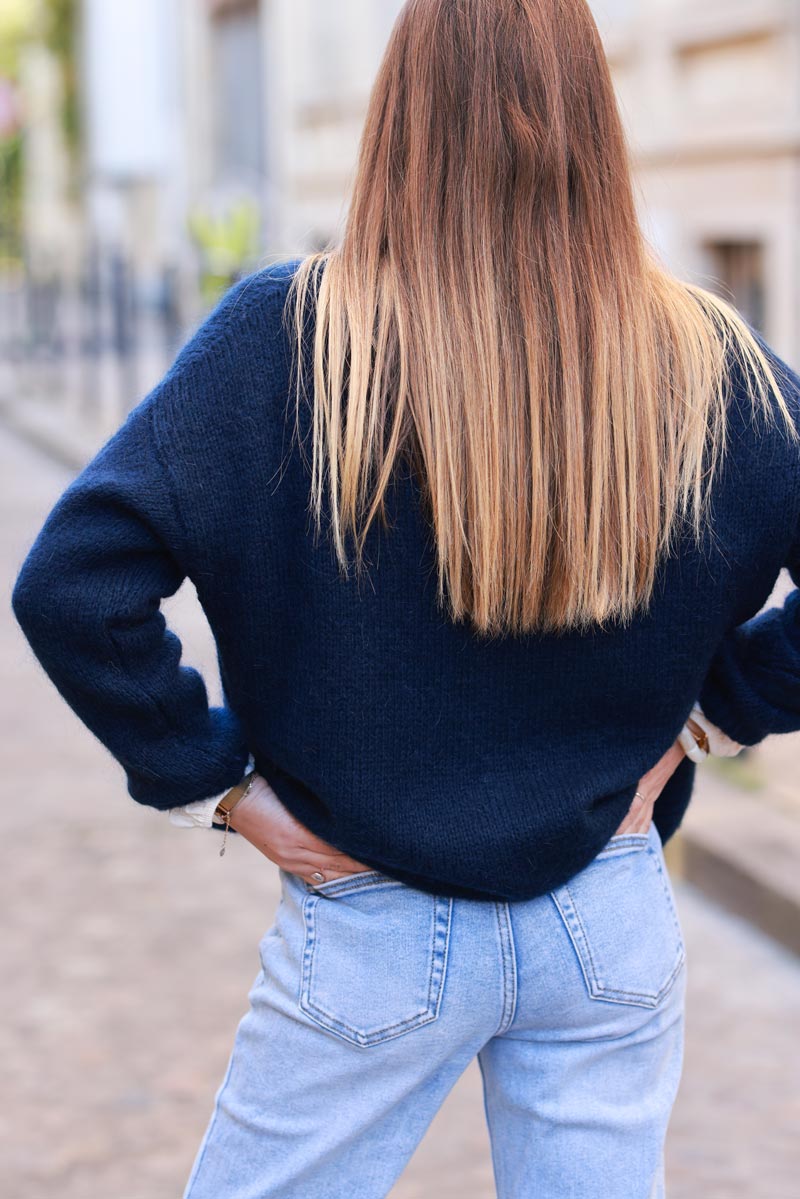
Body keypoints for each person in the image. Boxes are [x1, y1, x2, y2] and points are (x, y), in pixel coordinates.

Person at [11, 1, 800, 1196]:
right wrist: (708, 721)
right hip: (606, 912)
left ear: (397, 121)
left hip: (370, 923)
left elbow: (75, 583)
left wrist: (214, 782)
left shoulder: (287, 342)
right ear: (595, 122)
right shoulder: (706, 363)